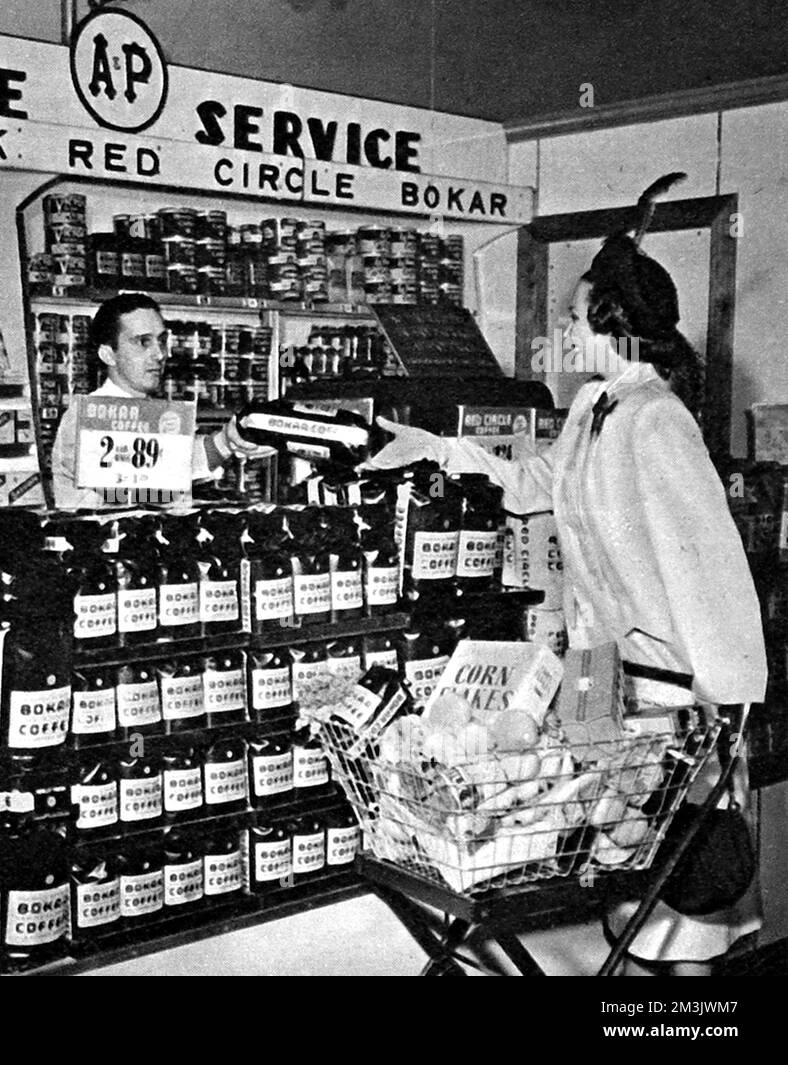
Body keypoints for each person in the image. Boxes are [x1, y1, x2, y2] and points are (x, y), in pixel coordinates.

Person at [366, 173, 766, 975]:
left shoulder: (658, 420)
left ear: (610, 326)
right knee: (624, 885)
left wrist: (727, 708)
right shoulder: (590, 408)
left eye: (571, 317)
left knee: (681, 905)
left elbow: (713, 572)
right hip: (597, 674)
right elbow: (533, 486)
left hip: (668, 687)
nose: (560, 327)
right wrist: (439, 448)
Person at [50, 292, 272, 509]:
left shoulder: (150, 413)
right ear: (108, 354)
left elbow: (177, 461)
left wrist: (228, 440)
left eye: (161, 341)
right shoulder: (87, 418)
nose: (159, 354)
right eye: (143, 342)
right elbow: (147, 479)